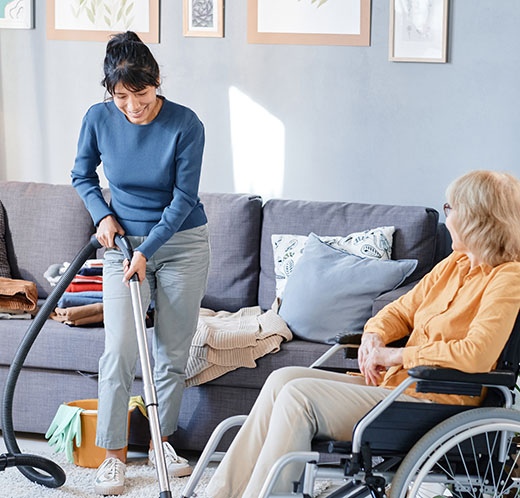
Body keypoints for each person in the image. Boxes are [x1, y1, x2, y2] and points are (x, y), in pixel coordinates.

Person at [205, 170, 520, 498]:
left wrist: (396, 355)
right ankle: (220, 495)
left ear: (475, 219)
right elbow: (398, 311)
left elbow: (476, 353)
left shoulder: (507, 278)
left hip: (432, 399)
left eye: (451, 209)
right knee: (281, 380)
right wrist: (374, 337)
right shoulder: (452, 265)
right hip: (398, 387)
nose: (448, 217)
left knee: (298, 398)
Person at [71, 31, 210, 496]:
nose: (133, 106)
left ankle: (159, 443)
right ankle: (113, 456)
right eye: (122, 96)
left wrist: (149, 250)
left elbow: (185, 197)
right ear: (111, 93)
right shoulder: (98, 118)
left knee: (172, 352)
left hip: (182, 244)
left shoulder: (185, 124)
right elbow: (82, 175)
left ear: (156, 82)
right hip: (121, 249)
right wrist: (103, 214)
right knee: (119, 352)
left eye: (142, 94)